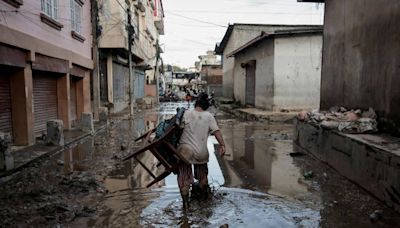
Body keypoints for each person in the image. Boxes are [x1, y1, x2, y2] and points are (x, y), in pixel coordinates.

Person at [176, 96, 225, 210]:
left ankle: (185, 205)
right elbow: (216, 131)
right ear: (206, 107)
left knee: (184, 178)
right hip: (201, 152)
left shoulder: (186, 113)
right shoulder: (209, 117)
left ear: (196, 104)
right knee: (203, 177)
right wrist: (222, 145)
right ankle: (204, 204)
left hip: (185, 151)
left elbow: (177, 129)